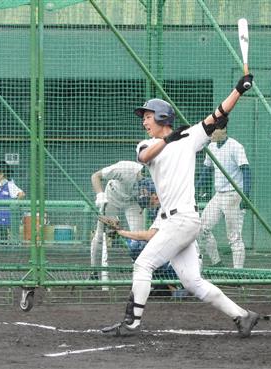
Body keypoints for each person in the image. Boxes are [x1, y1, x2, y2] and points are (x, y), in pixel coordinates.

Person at [102, 73, 259, 338]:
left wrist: (238, 90)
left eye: (148, 116)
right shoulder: (149, 143)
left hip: (182, 219)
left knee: (142, 265)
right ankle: (243, 316)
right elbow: (143, 157)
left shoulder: (189, 136)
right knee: (193, 283)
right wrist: (167, 139)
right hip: (173, 220)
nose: (144, 121)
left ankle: (131, 323)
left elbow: (217, 115)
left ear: (162, 117)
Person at [197, 127, 251, 268]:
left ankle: (238, 273)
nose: (211, 134)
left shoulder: (235, 146)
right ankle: (217, 263)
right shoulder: (212, 146)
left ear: (224, 129)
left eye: (214, 131)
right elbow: (206, 170)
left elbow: (246, 170)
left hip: (234, 195)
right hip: (218, 195)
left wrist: (246, 195)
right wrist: (196, 189)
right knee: (202, 229)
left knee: (234, 236)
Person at [90, 161, 145, 269]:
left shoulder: (155, 176)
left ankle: (138, 274)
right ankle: (93, 271)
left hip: (132, 202)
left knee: (139, 237)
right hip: (112, 197)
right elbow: (95, 176)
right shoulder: (124, 168)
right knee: (100, 235)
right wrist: (100, 195)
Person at [0, 160, 25, 240]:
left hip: (7, 220)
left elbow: (21, 194)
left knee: (5, 239)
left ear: (2, 174)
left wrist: (15, 204)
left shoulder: (10, 184)